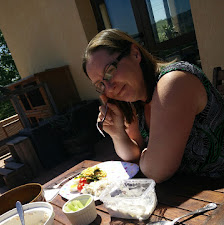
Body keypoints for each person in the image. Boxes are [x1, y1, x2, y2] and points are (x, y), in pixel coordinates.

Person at [82, 29, 224, 183]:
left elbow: (155, 172)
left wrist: (146, 158)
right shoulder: (136, 101)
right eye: (100, 85)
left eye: (109, 71)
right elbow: (133, 156)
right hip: (188, 194)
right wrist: (118, 134)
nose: (109, 88)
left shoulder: (174, 82)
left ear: (135, 54)